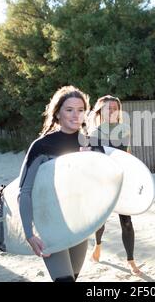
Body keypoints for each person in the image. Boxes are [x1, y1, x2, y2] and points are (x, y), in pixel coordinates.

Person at [18, 85, 91, 282]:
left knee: (73, 278)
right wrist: (29, 233)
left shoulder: (88, 144)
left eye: (81, 110)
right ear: (57, 113)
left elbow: (95, 189)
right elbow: (24, 191)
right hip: (50, 222)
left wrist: (89, 163)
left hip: (79, 224)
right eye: (69, 110)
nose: (76, 116)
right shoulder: (42, 145)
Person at [87, 95, 142, 276]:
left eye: (114, 108)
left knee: (126, 222)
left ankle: (131, 261)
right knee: (100, 222)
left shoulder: (124, 130)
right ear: (100, 110)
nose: (111, 111)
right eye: (107, 108)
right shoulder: (93, 133)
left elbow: (126, 155)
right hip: (101, 183)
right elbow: (90, 161)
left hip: (120, 181)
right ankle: (98, 245)